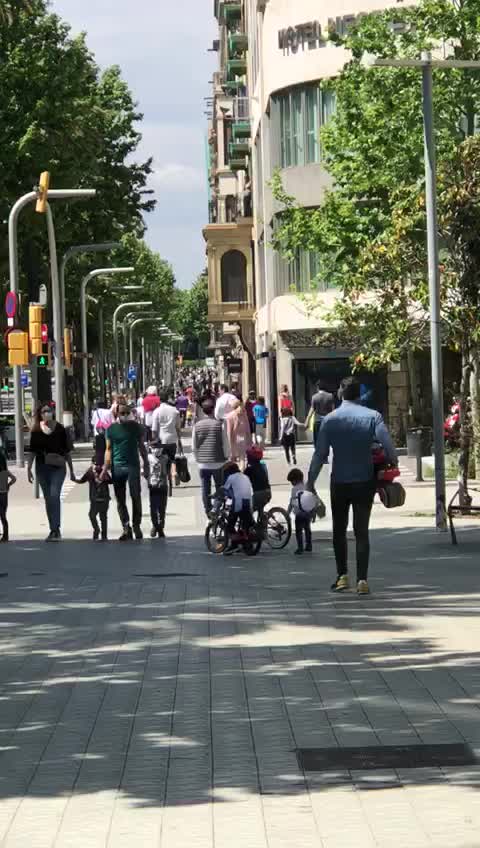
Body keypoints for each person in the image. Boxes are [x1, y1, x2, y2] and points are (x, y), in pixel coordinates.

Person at [308, 376, 398, 594]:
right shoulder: (373, 416)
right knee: (361, 531)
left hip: (339, 481)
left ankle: (342, 577)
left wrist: (310, 482)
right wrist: (392, 462)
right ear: (360, 394)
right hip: (364, 480)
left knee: (339, 531)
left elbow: (320, 454)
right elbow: (388, 445)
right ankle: (362, 581)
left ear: (340, 393)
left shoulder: (330, 420)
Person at [27, 403, 75, 541]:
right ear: (40, 414)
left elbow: (67, 452)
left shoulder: (60, 429)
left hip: (58, 467)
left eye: (49, 410)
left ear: (53, 412)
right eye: (44, 411)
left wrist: (71, 471)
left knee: (54, 496)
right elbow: (32, 451)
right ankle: (53, 529)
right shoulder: (36, 430)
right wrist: (29, 468)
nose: (47, 413)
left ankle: (56, 529)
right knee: (48, 499)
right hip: (41, 468)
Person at [104, 402, 149, 541]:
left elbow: (141, 445)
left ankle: (136, 525)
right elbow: (108, 449)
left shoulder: (136, 427)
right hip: (117, 467)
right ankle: (126, 527)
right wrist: (105, 468)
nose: (124, 415)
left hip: (133, 466)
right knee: (120, 499)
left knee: (136, 496)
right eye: (121, 413)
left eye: (126, 413)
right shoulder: (111, 429)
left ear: (130, 414)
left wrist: (146, 463)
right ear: (116, 414)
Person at [192, 398, 229, 516]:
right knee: (220, 486)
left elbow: (194, 445)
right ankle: (216, 507)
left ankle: (208, 509)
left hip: (203, 462)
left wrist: (198, 458)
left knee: (205, 487)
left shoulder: (197, 426)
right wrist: (226, 456)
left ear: (203, 411)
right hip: (218, 461)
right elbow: (225, 442)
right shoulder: (219, 425)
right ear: (213, 410)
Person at [151, 389, 182, 493]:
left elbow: (154, 429)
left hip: (161, 439)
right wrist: (180, 441)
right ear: (168, 399)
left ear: (159, 399)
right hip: (172, 438)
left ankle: (163, 478)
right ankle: (174, 472)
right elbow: (178, 428)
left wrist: (154, 440)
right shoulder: (175, 411)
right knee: (172, 458)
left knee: (161, 460)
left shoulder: (157, 411)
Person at [76, 455, 111, 541]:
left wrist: (75, 479)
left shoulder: (96, 472)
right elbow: (82, 480)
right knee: (98, 516)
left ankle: (100, 532)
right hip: (99, 499)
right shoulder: (94, 472)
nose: (97, 466)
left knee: (96, 516)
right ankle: (101, 533)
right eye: (96, 464)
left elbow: (81, 480)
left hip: (98, 499)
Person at [222, 462, 254, 556]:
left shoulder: (231, 477)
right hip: (249, 502)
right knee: (245, 523)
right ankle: (245, 542)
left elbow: (224, 490)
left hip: (238, 503)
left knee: (230, 526)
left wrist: (217, 496)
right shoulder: (245, 476)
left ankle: (234, 545)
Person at [287, 468, 318, 555]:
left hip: (299, 514)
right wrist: (314, 513)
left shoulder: (294, 489)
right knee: (307, 529)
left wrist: (288, 512)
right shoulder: (307, 487)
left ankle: (300, 548)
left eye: (291, 481)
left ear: (295, 480)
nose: (291, 484)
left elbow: (292, 502)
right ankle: (309, 545)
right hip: (308, 512)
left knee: (298, 531)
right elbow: (313, 500)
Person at [148, 443, 169, 539]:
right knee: (153, 507)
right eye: (154, 448)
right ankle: (155, 525)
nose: (156, 450)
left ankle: (161, 527)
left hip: (163, 485)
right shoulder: (148, 458)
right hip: (153, 485)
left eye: (158, 447)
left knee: (162, 508)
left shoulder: (165, 458)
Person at [244, 446, 271, 518]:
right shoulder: (263, 465)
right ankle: (262, 523)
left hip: (258, 494)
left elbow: (242, 481)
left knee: (247, 511)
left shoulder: (249, 469)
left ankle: (251, 526)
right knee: (260, 506)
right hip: (268, 492)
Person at [226, 399, 252, 469]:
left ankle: (234, 474)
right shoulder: (244, 414)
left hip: (234, 440)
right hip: (243, 439)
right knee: (242, 459)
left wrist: (228, 443)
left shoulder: (229, 416)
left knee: (232, 459)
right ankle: (242, 473)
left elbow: (229, 431)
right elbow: (247, 428)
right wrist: (250, 439)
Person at [0, 448, 16, 542]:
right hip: (4, 495)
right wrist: (8, 485)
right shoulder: (5, 472)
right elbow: (14, 479)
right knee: (3, 516)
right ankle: (6, 536)